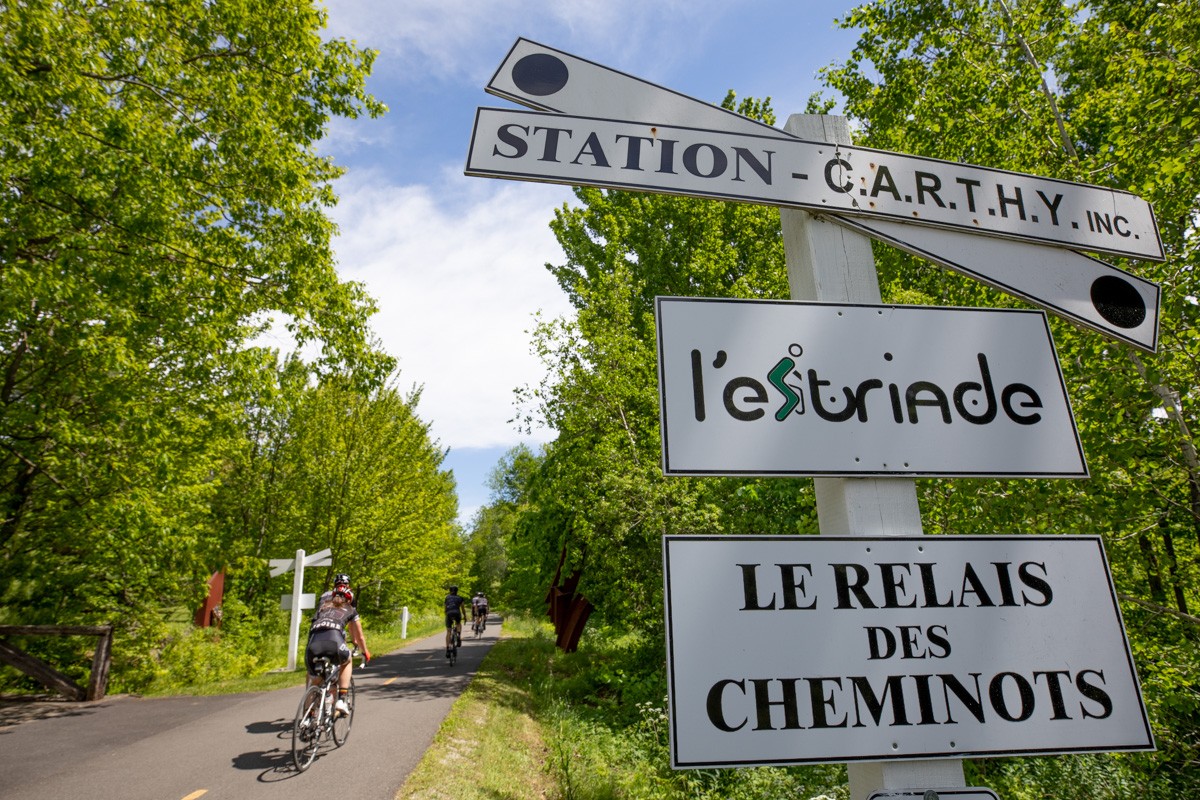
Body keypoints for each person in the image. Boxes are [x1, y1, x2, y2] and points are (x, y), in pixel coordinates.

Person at [306, 573, 371, 715]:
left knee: (314, 677)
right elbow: (354, 629)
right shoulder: (350, 604)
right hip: (334, 637)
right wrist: (360, 647)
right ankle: (340, 698)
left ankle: (309, 709)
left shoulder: (324, 599)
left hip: (314, 636)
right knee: (344, 660)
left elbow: (316, 619)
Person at [444, 585, 466, 657]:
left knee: (448, 631)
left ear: (450, 591)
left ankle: (447, 649)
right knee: (458, 623)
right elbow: (462, 608)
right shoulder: (460, 598)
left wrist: (447, 615)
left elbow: (445, 608)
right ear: (457, 591)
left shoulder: (447, 597)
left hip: (449, 614)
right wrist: (465, 616)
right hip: (457, 613)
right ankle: (458, 635)